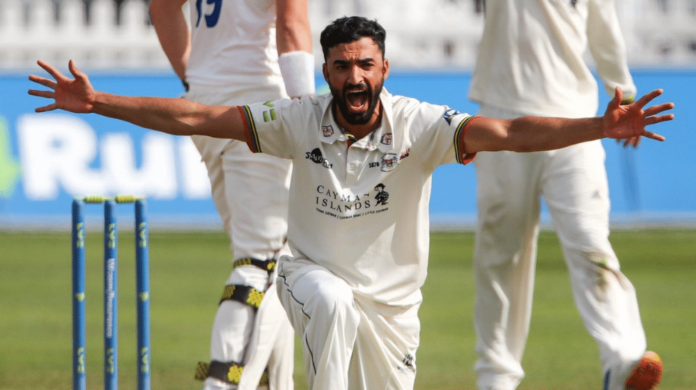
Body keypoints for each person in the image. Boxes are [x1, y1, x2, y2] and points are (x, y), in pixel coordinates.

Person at [28, 16, 673, 390]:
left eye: (365, 65)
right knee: (330, 298)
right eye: (340, 66)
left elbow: (507, 133)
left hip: (393, 314)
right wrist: (99, 103)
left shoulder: (421, 124)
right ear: (328, 72)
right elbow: (199, 115)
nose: (354, 78)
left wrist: (599, 126)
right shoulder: (298, 118)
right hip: (308, 281)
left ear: (384, 70)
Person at [467, 1, 663, 389]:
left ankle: (622, 360)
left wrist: (623, 93)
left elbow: (604, 26)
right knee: (501, 252)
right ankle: (496, 379)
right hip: (504, 119)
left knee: (590, 241)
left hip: (577, 122)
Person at [147, 0, 314, 389]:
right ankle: (223, 383)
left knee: (273, 260)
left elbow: (162, 9)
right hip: (259, 111)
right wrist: (308, 112)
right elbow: (292, 23)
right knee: (264, 263)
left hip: (206, 107)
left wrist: (197, 80)